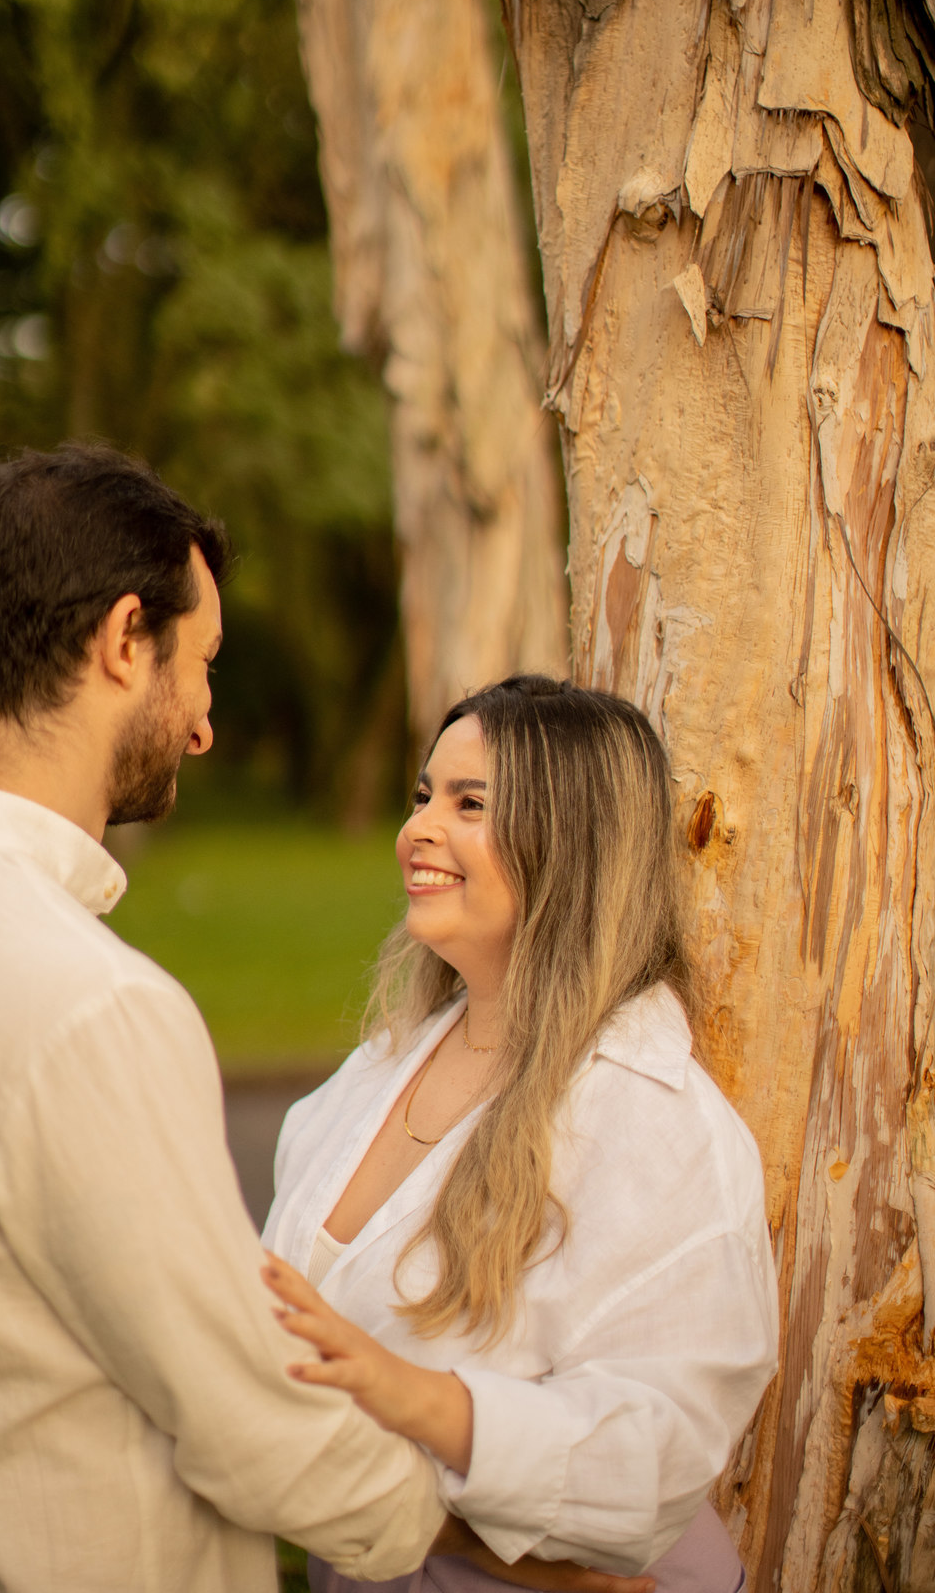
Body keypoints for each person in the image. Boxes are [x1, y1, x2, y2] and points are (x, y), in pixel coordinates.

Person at [0, 443, 460, 1593]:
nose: (201, 724)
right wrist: (460, 1524)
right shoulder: (95, 1006)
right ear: (122, 638)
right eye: (201, 666)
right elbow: (248, 1416)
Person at [261, 676, 781, 1593]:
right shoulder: (376, 1074)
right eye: (424, 795)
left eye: (471, 804)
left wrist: (423, 1404)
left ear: (570, 846)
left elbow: (657, 1448)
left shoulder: (660, 1122)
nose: (418, 829)